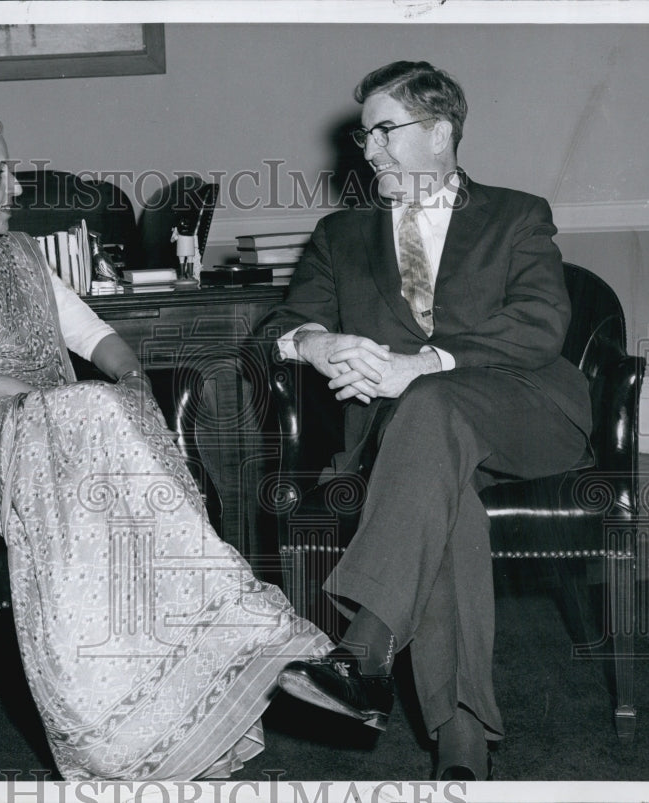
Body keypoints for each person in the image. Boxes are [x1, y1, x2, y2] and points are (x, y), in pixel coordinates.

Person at [0, 107, 331, 781]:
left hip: (40, 425)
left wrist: (130, 374)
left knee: (116, 419)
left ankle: (197, 686)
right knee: (98, 418)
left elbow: (82, 324)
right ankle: (250, 632)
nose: (16, 189)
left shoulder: (12, 250)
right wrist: (97, 407)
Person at [256, 61, 592, 780]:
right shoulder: (340, 234)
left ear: (439, 133)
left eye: (385, 130)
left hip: (526, 413)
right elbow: (280, 326)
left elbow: (540, 326)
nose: (369, 149)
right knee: (448, 505)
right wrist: (320, 343)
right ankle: (463, 744)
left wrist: (427, 363)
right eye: (363, 135)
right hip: (406, 448)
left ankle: (365, 642)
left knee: (432, 401)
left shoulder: (516, 213)